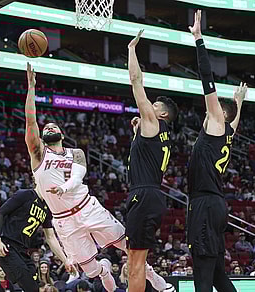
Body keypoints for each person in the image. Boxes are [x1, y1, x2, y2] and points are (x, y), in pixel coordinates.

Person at [24, 62, 157, 291]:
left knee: (130, 245)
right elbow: (30, 120)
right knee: (91, 271)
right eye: (47, 126)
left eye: (55, 125)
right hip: (63, 220)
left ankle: (157, 281)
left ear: (62, 135)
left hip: (87, 208)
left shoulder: (75, 153)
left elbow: (77, 178)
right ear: (44, 137)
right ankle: (105, 269)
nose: (50, 126)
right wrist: (31, 86)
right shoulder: (38, 154)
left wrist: (64, 188)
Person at [186, 10, 247, 292]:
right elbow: (233, 123)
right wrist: (240, 104)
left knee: (202, 273)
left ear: (219, 113)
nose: (207, 111)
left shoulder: (216, 123)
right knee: (218, 275)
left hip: (206, 205)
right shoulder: (225, 134)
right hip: (214, 204)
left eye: (213, 110)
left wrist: (198, 39)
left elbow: (206, 79)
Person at [125, 30, 179, 292]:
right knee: (134, 262)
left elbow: (136, 81)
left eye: (155, 106)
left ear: (163, 113)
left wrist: (131, 49)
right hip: (151, 193)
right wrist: (137, 131)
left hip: (143, 194)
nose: (149, 107)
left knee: (134, 263)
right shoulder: (160, 134)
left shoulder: (154, 123)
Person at [0, 188, 74, 292]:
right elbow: (0, 213)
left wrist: (65, 260)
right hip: (7, 246)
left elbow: (50, 237)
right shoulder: (25, 194)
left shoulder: (47, 207)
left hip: (23, 251)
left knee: (36, 285)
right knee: (31, 287)